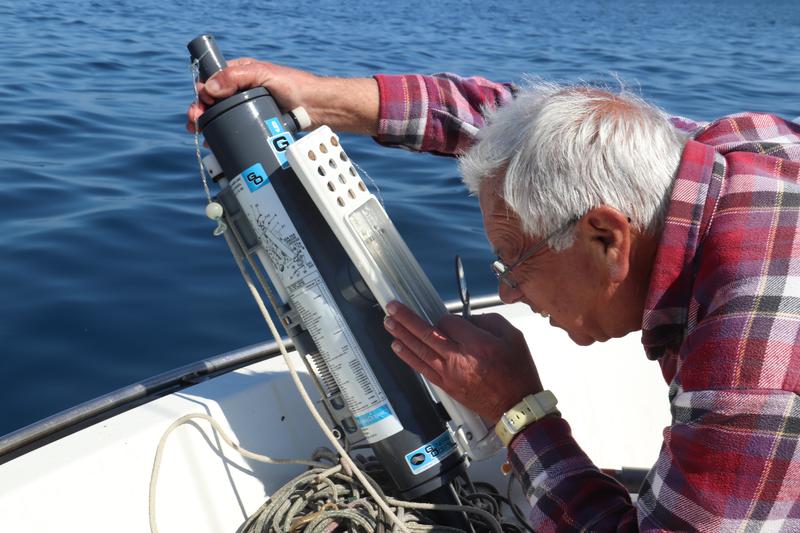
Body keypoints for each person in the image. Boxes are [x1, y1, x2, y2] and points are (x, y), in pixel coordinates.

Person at [188, 61, 800, 531]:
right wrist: (324, 99)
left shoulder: (752, 360)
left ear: (607, 238)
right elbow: (517, 122)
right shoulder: (733, 153)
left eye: (517, 262)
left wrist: (519, 409)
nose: (507, 290)